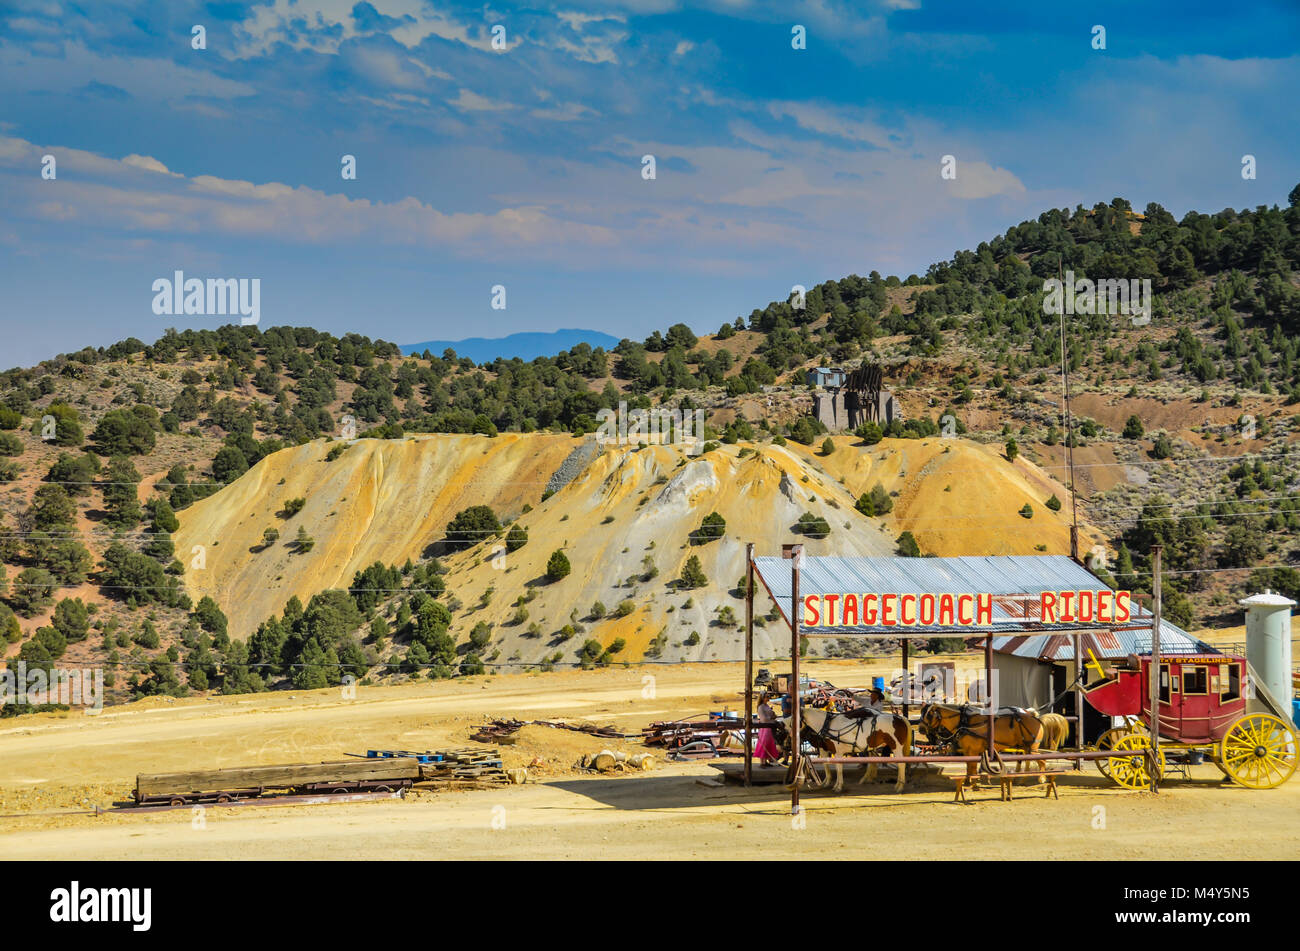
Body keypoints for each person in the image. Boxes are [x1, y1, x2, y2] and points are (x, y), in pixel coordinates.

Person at [753, 692, 782, 766]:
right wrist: (772, 717)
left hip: (769, 727)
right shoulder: (761, 707)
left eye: (768, 696)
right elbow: (764, 719)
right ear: (762, 698)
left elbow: (772, 714)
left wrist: (773, 715)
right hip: (765, 728)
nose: (768, 698)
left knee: (769, 744)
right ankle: (762, 762)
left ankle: (766, 761)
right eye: (766, 696)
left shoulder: (766, 706)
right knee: (764, 744)